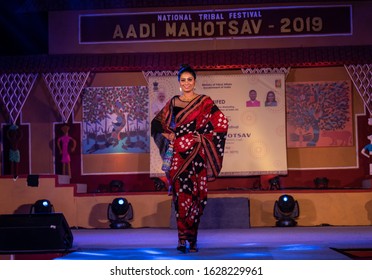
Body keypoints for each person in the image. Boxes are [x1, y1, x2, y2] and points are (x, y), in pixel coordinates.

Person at [151, 64, 228, 253]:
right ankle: (181, 239)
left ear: (195, 81)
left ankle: (193, 239)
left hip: (196, 155)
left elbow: (222, 123)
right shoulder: (173, 102)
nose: (186, 83)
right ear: (179, 83)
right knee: (180, 197)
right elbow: (157, 123)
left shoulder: (205, 102)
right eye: (183, 80)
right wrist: (169, 135)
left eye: (190, 79)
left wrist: (201, 137)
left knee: (196, 198)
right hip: (178, 155)